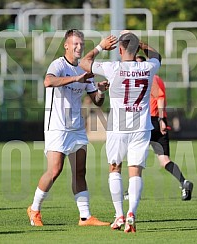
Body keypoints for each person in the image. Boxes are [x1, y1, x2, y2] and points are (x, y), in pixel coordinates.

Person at [27, 29, 110, 227]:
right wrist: (75, 79)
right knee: (55, 170)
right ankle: (34, 209)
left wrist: (100, 90)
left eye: (81, 44)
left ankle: (85, 217)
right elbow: (48, 81)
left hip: (77, 127)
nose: (79, 47)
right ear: (66, 45)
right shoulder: (58, 64)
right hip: (57, 126)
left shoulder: (84, 70)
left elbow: (97, 102)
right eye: (75, 44)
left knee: (80, 171)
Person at [80, 31, 161, 233]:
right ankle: (132, 212)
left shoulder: (113, 67)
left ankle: (119, 215)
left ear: (120, 49)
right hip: (141, 127)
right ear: (135, 49)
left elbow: (84, 62)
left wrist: (100, 46)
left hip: (118, 127)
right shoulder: (148, 67)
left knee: (115, 168)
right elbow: (157, 56)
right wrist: (140, 43)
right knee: (136, 172)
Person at [136, 55, 193, 201]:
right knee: (164, 161)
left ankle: (132, 191)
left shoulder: (150, 79)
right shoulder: (152, 78)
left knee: (136, 159)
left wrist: (161, 119)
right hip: (155, 122)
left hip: (149, 122)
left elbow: (160, 98)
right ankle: (183, 182)